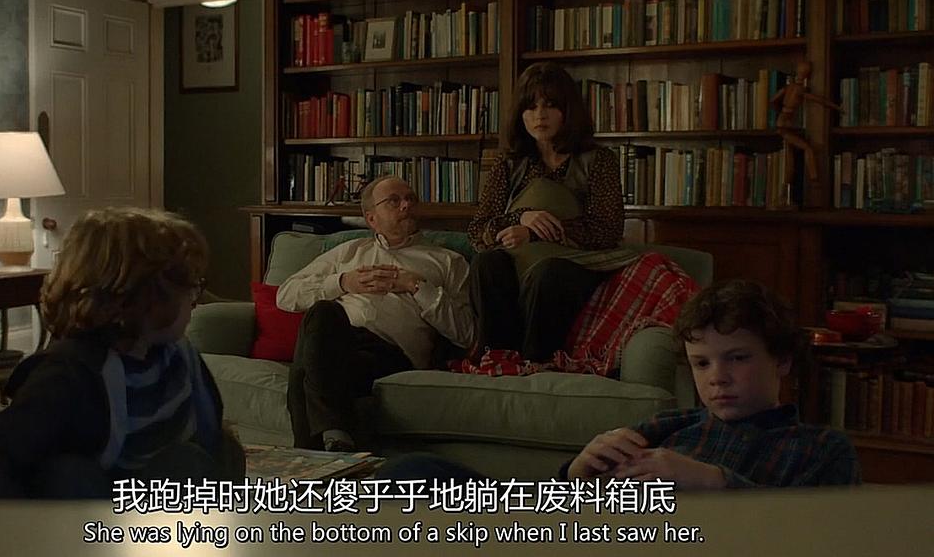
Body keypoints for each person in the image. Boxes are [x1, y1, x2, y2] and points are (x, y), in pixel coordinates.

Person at [381, 279, 861, 489]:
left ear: (781, 360)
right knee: (412, 471)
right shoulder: (672, 427)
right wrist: (576, 471)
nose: (717, 377)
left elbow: (821, 536)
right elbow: (568, 502)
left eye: (737, 358)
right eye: (701, 363)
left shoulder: (819, 449)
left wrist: (715, 482)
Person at [0, 207, 244, 498]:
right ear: (138, 295)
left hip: (157, 503)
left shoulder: (177, 355)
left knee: (207, 455)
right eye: (188, 285)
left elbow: (210, 436)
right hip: (96, 508)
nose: (195, 296)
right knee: (68, 474)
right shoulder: (70, 372)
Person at [277, 175, 475, 452]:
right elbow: (285, 295)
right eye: (394, 201)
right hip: (339, 345)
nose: (406, 205)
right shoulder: (349, 253)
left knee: (305, 371)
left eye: (411, 199)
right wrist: (343, 282)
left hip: (391, 355)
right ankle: (333, 443)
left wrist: (417, 287)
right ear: (372, 219)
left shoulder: (447, 261)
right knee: (323, 313)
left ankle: (313, 451)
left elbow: (467, 333)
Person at [467, 61, 637, 362]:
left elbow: (607, 230)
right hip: (517, 262)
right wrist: (521, 217)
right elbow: (478, 229)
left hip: (575, 264)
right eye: (530, 107)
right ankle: (498, 360)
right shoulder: (508, 163)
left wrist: (536, 232)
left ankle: (537, 364)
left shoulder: (598, 160)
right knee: (486, 262)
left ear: (567, 110)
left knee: (548, 273)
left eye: (550, 105)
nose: (539, 115)